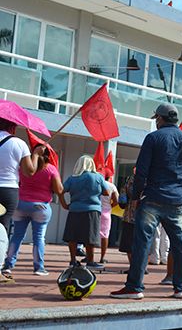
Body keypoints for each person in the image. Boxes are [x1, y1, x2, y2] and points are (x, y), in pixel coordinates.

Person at [110, 103, 182, 300]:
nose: (155, 122)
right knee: (180, 244)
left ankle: (135, 287)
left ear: (160, 119)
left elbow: (141, 171)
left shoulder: (153, 138)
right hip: (177, 200)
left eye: (156, 119)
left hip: (153, 197)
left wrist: (135, 196)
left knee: (142, 243)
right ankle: (181, 288)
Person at [2, 148, 62, 276]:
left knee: (17, 236)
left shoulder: (23, 167)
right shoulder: (50, 169)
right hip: (41, 207)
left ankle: (7, 265)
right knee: (39, 237)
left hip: (20, 204)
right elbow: (59, 189)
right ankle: (38, 267)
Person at [58, 155, 109, 270]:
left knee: (73, 236)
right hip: (92, 210)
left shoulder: (72, 178)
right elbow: (106, 192)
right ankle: (90, 261)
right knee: (90, 236)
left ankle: (72, 260)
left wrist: (64, 205)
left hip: (75, 209)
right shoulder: (98, 177)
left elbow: (60, 191)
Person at [0, 118, 46, 232]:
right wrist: (35, 155)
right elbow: (29, 171)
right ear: (12, 126)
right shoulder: (19, 143)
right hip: (8, 189)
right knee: (2, 226)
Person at [99, 175, 118, 264]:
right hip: (106, 212)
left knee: (91, 234)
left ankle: (88, 256)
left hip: (95, 210)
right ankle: (102, 257)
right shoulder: (111, 186)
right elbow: (116, 201)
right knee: (105, 235)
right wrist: (110, 206)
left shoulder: (97, 184)